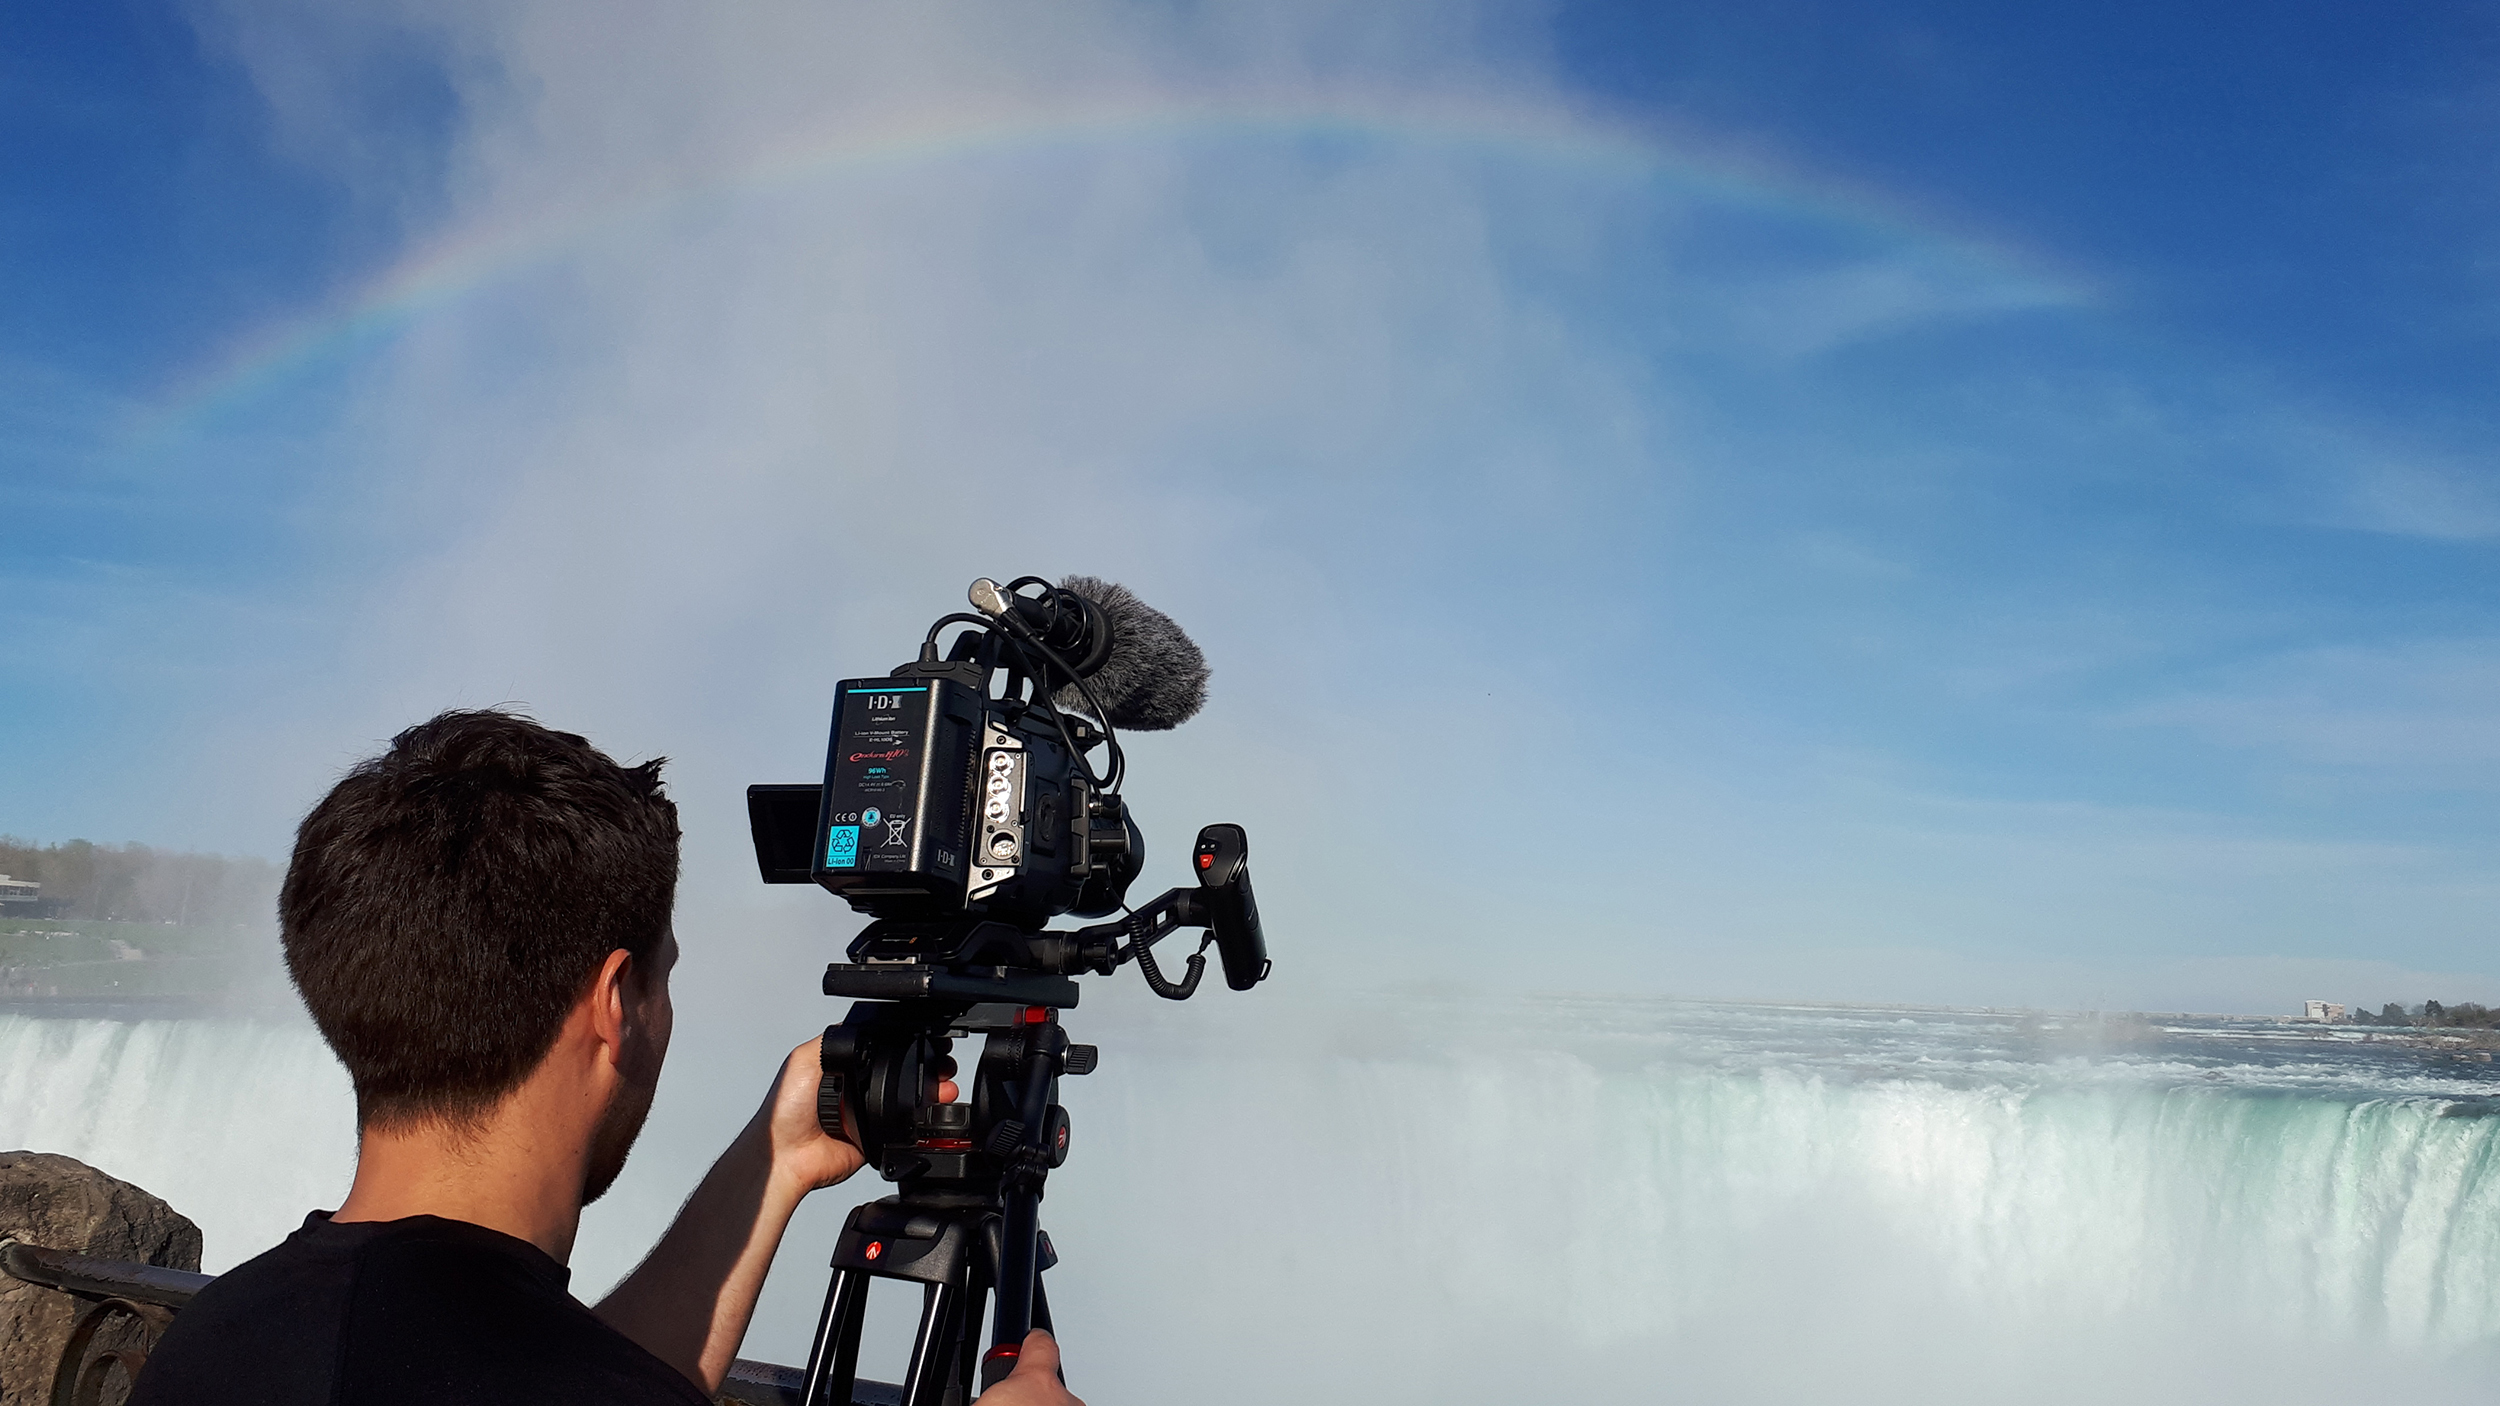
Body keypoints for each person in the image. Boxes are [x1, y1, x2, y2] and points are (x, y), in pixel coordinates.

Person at [132, 709, 1080, 1406]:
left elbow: (532, 1365)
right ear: (615, 1003)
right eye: (663, 979)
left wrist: (776, 1159)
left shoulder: (210, 1345)